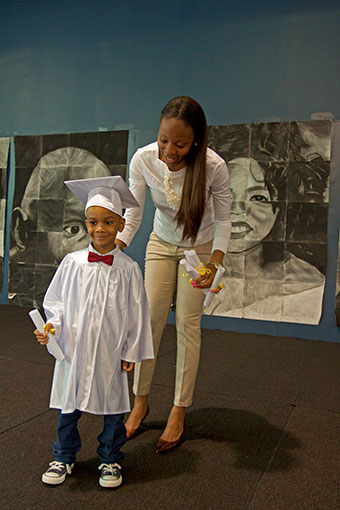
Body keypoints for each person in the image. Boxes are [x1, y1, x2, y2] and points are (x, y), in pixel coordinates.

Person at [116, 96, 232, 453]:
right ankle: (141, 400)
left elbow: (225, 220)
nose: (169, 149)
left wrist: (214, 263)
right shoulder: (144, 160)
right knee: (149, 322)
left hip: (201, 250)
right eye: (164, 139)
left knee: (187, 325)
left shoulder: (213, 166)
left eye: (180, 144)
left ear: (196, 140)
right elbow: (133, 213)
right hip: (161, 244)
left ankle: (179, 409)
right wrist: (113, 246)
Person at [34, 175, 154, 488]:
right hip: (74, 350)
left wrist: (131, 350)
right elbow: (56, 303)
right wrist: (52, 326)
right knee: (67, 408)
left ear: (120, 224)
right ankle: (63, 456)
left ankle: (110, 458)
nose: (99, 229)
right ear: (86, 223)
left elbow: (138, 314)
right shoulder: (72, 263)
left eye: (108, 222)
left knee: (114, 411)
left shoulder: (129, 269)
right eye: (92, 222)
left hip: (109, 352)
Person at [204, 156, 326, 324]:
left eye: (258, 198)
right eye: (225, 196)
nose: (238, 209)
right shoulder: (189, 266)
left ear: (278, 211)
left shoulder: (306, 281)